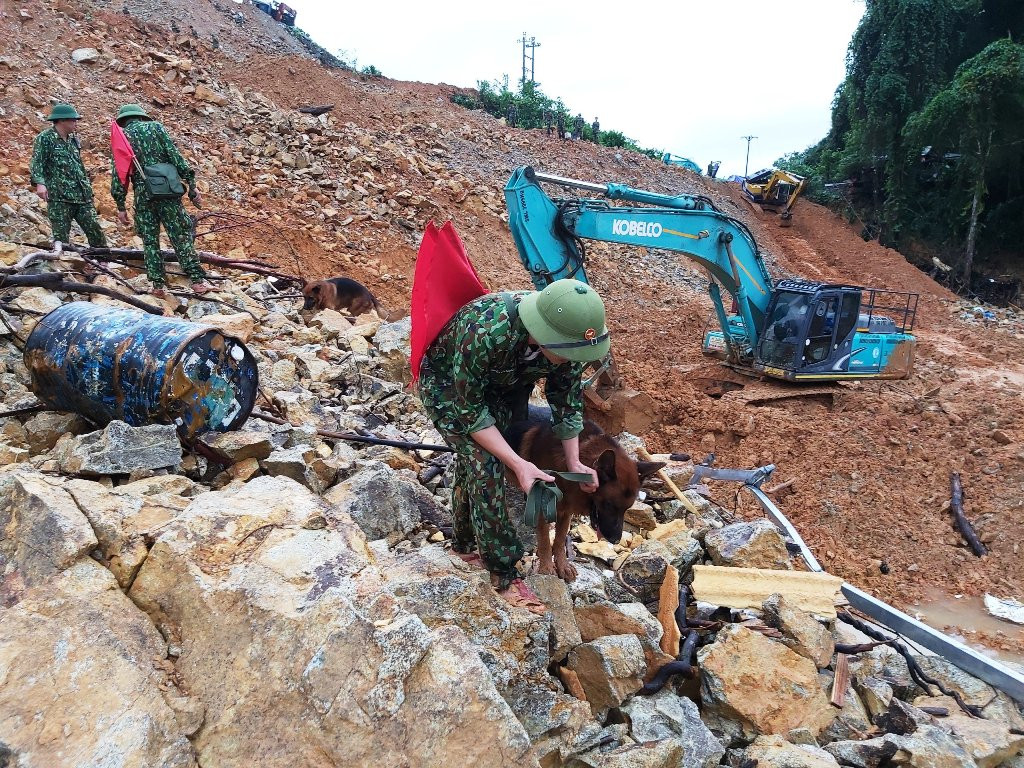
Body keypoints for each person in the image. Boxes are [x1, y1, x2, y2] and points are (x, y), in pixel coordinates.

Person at [417, 279, 610, 613]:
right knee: (485, 461)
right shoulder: (485, 332)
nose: (572, 360)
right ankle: (502, 572)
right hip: (449, 385)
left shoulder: (568, 340)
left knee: (477, 460)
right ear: (543, 333)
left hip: (506, 385)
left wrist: (574, 462)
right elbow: (472, 414)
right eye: (568, 353)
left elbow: (566, 404)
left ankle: (463, 543)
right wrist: (519, 464)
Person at [110, 104, 212, 297]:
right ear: (141, 117)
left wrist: (120, 205)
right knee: (180, 235)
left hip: (143, 195)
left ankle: (157, 286)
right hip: (167, 191)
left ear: (124, 121)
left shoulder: (121, 138)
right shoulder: (156, 127)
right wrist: (191, 184)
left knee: (150, 240)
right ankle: (197, 282)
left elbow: (119, 174)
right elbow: (175, 156)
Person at [30, 103, 108, 248]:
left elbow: (79, 166)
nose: (76, 123)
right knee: (61, 237)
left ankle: (102, 259)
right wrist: (40, 183)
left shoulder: (73, 140)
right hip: (60, 198)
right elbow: (37, 162)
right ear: (61, 120)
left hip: (81, 196)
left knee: (95, 231)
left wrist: (87, 188)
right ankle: (64, 260)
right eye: (73, 120)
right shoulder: (45, 138)